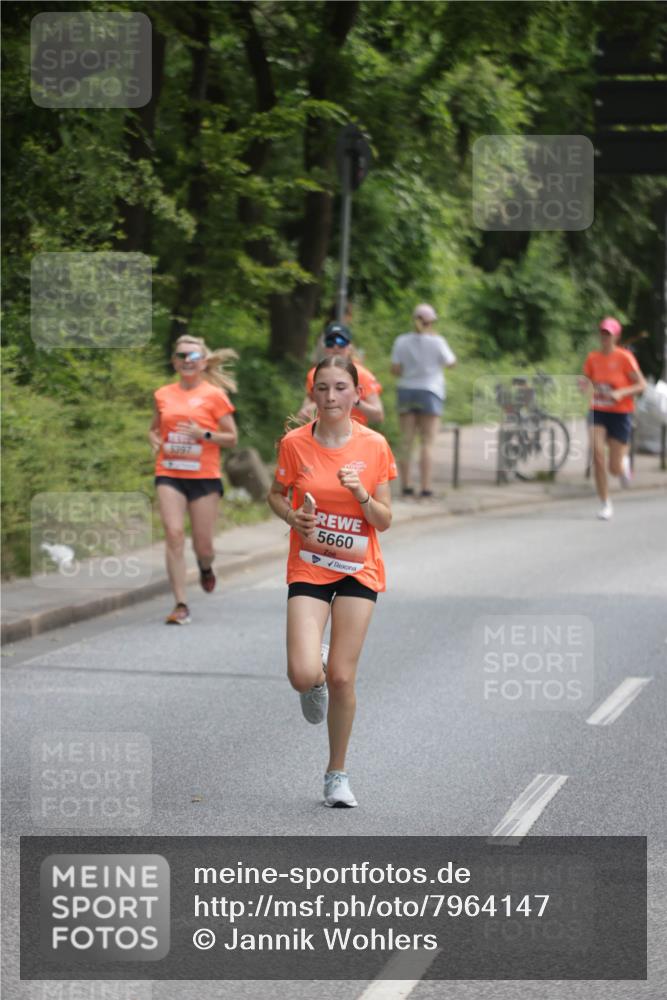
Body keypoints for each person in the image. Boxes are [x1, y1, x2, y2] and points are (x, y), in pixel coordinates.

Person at [268, 356, 396, 808]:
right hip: (310, 565)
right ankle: (314, 674)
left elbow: (384, 519)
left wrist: (360, 493)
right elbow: (275, 494)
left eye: (341, 387)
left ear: (357, 394)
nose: (331, 397)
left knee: (344, 676)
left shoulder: (375, 445)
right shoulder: (294, 444)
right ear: (313, 394)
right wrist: (293, 517)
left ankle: (336, 774)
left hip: (359, 568)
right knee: (304, 674)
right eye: (322, 388)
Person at [149, 335, 238, 623]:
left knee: (204, 546)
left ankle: (205, 566)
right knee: (174, 535)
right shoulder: (163, 394)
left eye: (193, 357)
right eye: (182, 356)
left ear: (202, 363)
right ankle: (180, 604)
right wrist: (154, 441)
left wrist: (204, 435)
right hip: (169, 472)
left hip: (204, 477)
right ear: (174, 362)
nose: (187, 361)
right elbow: (153, 429)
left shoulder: (214, 396)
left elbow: (232, 438)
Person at [582, 316, 646, 520]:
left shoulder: (625, 358)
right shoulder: (593, 358)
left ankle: (623, 464)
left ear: (616, 336)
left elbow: (641, 385)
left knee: (614, 468)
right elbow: (588, 381)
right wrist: (584, 386)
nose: (604, 337)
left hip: (620, 414)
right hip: (598, 410)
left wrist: (621, 393)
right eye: (602, 333)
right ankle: (605, 503)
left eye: (608, 334)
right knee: (598, 456)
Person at [390, 303, 456, 497]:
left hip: (406, 391)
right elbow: (451, 363)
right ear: (432, 321)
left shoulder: (401, 341)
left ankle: (406, 485)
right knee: (427, 442)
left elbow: (395, 369)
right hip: (430, 392)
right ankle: (426, 488)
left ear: (414, 320)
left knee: (406, 441)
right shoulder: (438, 342)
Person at [297, 322, 384, 426]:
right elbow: (302, 416)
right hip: (323, 434)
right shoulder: (315, 374)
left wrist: (354, 401)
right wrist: (320, 402)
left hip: (355, 436)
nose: (336, 346)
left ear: (350, 346)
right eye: (330, 342)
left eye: (341, 341)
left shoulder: (362, 375)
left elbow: (378, 416)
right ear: (324, 347)